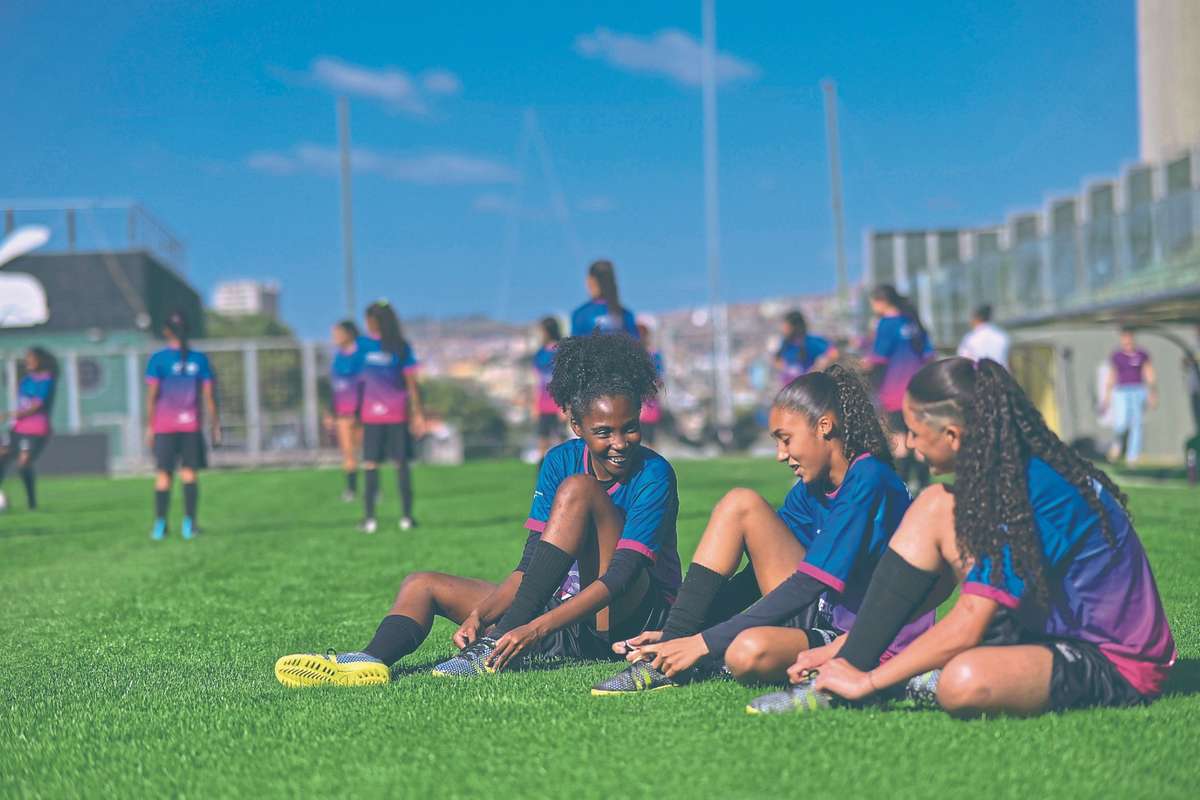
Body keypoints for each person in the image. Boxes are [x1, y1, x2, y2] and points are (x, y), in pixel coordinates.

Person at [751, 357, 1176, 716]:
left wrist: (870, 681)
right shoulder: (998, 474)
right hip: (1042, 628)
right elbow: (947, 599)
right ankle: (852, 665)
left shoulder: (1028, 488)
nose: (909, 445)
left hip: (1115, 660)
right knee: (933, 505)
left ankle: (862, 679)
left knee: (963, 682)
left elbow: (972, 620)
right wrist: (847, 647)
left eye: (916, 432)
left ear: (952, 435)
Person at [274, 333, 678, 687]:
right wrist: (482, 614)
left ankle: (490, 648)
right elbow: (532, 563)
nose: (620, 442)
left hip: (626, 620)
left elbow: (622, 578)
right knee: (422, 583)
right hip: (561, 616)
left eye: (629, 427)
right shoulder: (560, 460)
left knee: (580, 491)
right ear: (577, 427)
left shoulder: (654, 472)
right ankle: (370, 660)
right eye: (603, 432)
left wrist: (530, 629)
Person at [592, 365, 935, 695]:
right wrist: (683, 631)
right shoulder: (809, 490)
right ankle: (668, 658)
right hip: (819, 617)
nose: (780, 455)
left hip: (864, 633)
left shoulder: (869, 480)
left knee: (748, 653)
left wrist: (701, 642)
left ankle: (700, 659)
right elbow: (755, 578)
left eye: (786, 440)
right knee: (740, 504)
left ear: (824, 427)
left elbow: (809, 583)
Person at [146, 312, 219, 541]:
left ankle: (160, 525)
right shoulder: (199, 359)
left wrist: (150, 426)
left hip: (164, 426)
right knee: (189, 474)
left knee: (163, 476)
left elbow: (152, 396)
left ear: (166, 331)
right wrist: (215, 424)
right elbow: (209, 396)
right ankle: (189, 524)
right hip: (191, 426)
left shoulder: (158, 359)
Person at [358, 301, 425, 534]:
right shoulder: (362, 346)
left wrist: (418, 413)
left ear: (376, 321)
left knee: (401, 464)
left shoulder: (400, 346)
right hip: (370, 416)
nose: (366, 324)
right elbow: (357, 381)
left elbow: (412, 383)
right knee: (370, 464)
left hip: (396, 414)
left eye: (368, 319)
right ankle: (369, 519)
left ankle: (407, 517)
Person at [865, 284, 934, 490]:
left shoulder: (885, 324)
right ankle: (923, 485)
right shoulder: (913, 322)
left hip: (895, 391)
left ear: (881, 302)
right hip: (920, 390)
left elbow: (877, 358)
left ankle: (903, 487)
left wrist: (856, 365)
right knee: (920, 435)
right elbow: (929, 355)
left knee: (900, 439)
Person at [0, 347, 58, 512]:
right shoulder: (26, 380)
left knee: (23, 464)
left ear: (40, 360)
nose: (27, 361)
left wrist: (9, 414)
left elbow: (35, 406)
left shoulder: (47, 380)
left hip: (35, 429)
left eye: (31, 358)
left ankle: (32, 503)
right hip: (18, 427)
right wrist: (13, 419)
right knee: (1, 456)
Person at [324, 320, 369, 502]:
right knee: (348, 453)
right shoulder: (337, 358)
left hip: (363, 412)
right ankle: (351, 490)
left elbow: (367, 383)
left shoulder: (361, 356)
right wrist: (330, 412)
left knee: (366, 452)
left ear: (348, 334)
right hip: (343, 413)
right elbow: (334, 388)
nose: (334, 338)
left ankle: (372, 488)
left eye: (337, 333)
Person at [1102, 327, 1157, 465]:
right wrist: (1107, 396)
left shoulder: (1142, 354)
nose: (1126, 341)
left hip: (1138, 390)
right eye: (1124, 338)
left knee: (1136, 424)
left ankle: (1133, 456)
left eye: (1128, 338)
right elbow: (1112, 375)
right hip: (1121, 391)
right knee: (1121, 422)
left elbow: (1148, 373)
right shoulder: (1117, 356)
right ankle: (1117, 444)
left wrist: (1152, 393)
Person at [570, 259, 638, 337]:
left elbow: (574, 346)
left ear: (591, 281)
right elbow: (635, 344)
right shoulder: (625, 314)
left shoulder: (580, 314)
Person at [775, 309, 838, 385]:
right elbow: (777, 360)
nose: (783, 330)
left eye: (786, 327)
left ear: (795, 327)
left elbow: (833, 353)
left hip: (808, 387)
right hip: (791, 389)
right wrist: (786, 370)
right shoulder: (785, 344)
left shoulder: (810, 342)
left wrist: (816, 368)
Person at [532, 316, 565, 462]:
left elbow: (565, 380)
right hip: (543, 405)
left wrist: (564, 406)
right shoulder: (539, 353)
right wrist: (535, 405)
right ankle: (542, 476)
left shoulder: (560, 350)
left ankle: (565, 474)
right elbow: (536, 381)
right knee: (542, 441)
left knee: (560, 442)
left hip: (558, 405)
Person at [636, 319, 666, 446]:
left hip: (649, 404)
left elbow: (659, 379)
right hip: (635, 403)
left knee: (650, 439)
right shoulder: (632, 354)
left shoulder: (654, 354)